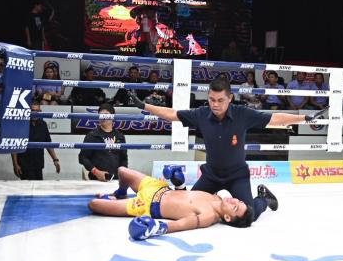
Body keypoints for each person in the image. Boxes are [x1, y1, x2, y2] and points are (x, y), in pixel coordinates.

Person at [130, 76, 325, 222]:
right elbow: (173, 114)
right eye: (211, 99)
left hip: (237, 176)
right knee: (188, 206)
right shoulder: (201, 113)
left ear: (230, 98)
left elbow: (275, 118)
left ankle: (264, 199)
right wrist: (144, 106)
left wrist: (304, 118)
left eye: (220, 100)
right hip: (211, 175)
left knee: (249, 216)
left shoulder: (243, 114)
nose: (215, 104)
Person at [89, 166, 254, 239]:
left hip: (147, 205)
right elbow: (186, 197)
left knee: (94, 204)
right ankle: (120, 193)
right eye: (238, 201)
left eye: (235, 207)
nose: (234, 200)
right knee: (122, 171)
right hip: (160, 188)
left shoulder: (208, 216)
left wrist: (157, 228)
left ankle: (114, 199)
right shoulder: (215, 196)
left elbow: (182, 224)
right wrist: (179, 183)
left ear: (227, 217)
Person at [12, 101, 61, 180]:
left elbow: (48, 143)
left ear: (40, 112)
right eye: (33, 110)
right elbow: (14, 145)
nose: (35, 113)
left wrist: (55, 160)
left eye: (37, 111)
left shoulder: (43, 124)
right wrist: (15, 164)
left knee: (39, 186)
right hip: (24, 164)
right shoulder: (21, 124)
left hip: (38, 164)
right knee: (28, 187)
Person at [78, 103, 128, 181]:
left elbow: (124, 159)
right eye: (101, 115)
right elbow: (82, 158)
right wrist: (96, 172)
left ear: (113, 116)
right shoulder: (92, 135)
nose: (103, 117)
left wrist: (124, 176)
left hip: (116, 180)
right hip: (96, 180)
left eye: (106, 115)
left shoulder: (120, 136)